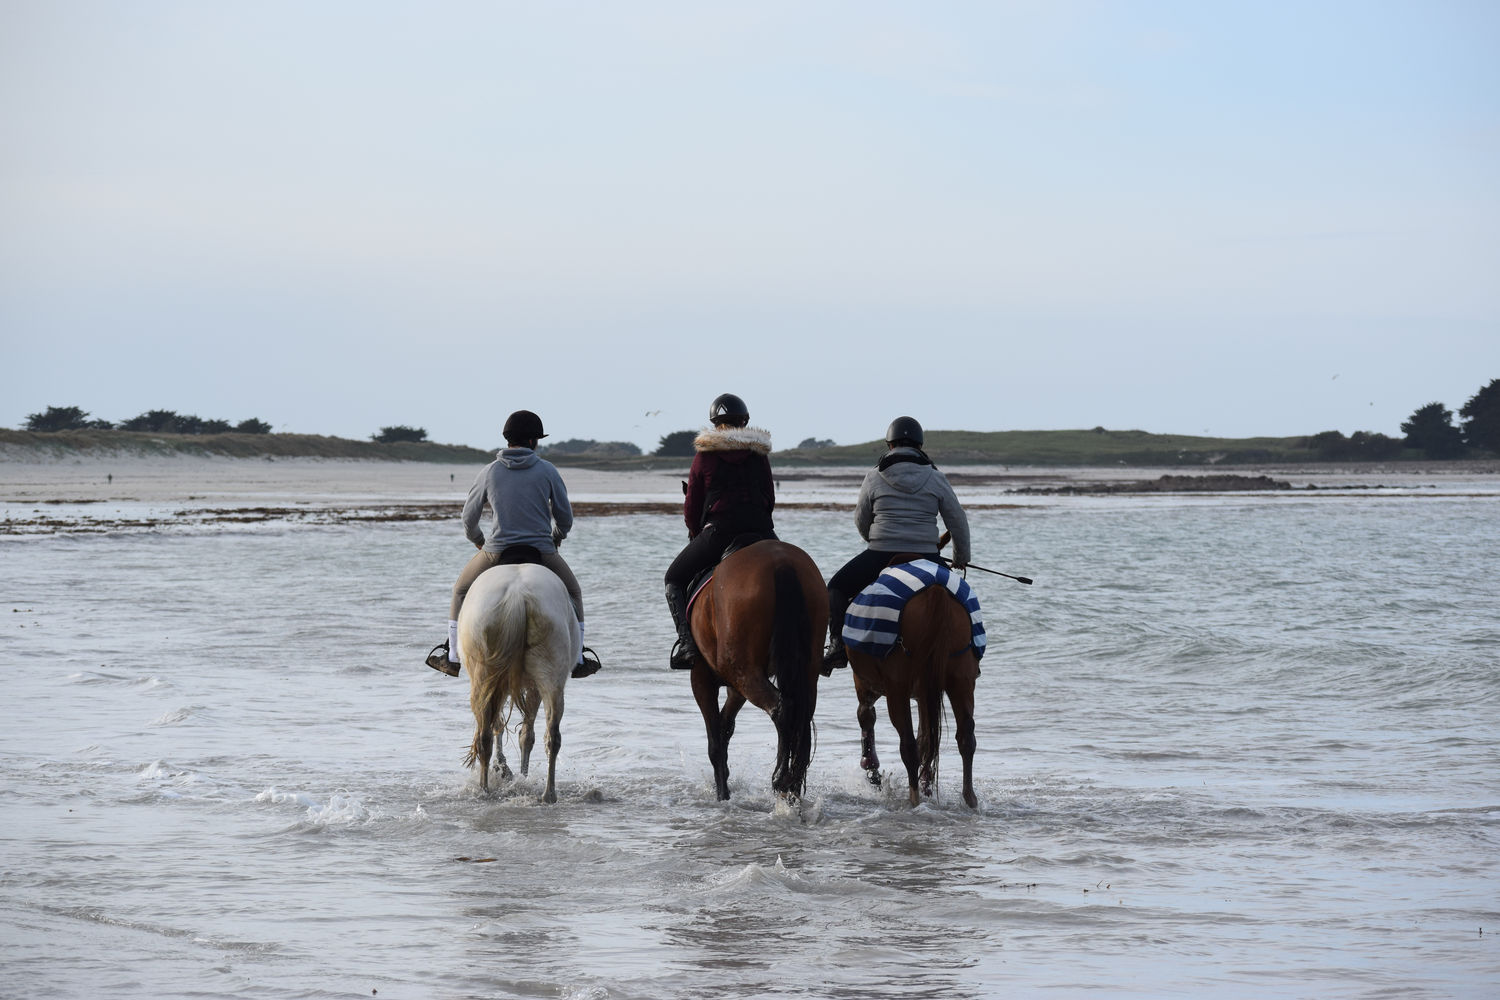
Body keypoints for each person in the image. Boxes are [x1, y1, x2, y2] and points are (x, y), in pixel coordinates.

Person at [425, 409, 601, 678]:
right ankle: (577, 658)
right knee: (574, 592)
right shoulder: (548, 470)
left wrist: (480, 541)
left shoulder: (489, 471)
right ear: (533, 441)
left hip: (497, 551)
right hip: (541, 552)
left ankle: (451, 657)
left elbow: (468, 519)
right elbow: (565, 517)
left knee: (460, 590)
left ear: (508, 439)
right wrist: (556, 537)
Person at [822, 415, 970, 671]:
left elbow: (861, 519)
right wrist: (960, 557)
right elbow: (957, 521)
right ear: (919, 446)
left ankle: (836, 646)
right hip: (927, 556)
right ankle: (969, 659)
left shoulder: (874, 477)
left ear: (890, 445)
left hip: (881, 553)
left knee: (835, 588)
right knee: (962, 599)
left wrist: (876, 539)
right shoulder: (937, 478)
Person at [663, 393, 776, 670]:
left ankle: (687, 646)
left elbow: (692, 506)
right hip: (761, 529)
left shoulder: (705, 456)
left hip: (720, 532)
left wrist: (694, 530)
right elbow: (769, 497)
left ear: (715, 424)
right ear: (744, 422)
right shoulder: (758, 454)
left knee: (674, 580)